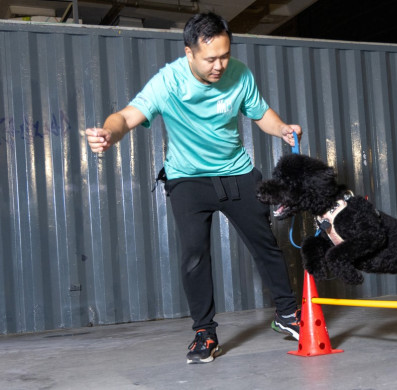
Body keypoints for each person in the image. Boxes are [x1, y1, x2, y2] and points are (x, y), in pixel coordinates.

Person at [85, 12, 302, 364]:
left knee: (266, 245)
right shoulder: (168, 81)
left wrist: (281, 129)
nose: (219, 65)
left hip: (236, 172)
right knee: (194, 255)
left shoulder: (239, 74)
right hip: (187, 179)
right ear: (189, 53)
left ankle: (288, 316)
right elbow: (126, 116)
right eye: (210, 58)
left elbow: (260, 113)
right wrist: (109, 134)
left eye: (225, 55)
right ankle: (205, 332)